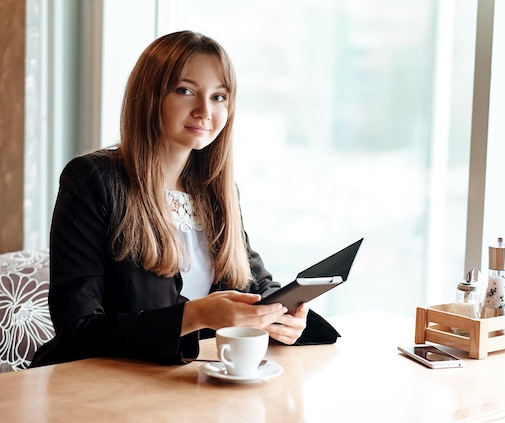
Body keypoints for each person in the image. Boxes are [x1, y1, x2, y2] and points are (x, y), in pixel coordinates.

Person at [31, 31, 333, 367]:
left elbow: (255, 286)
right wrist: (193, 316)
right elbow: (79, 329)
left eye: (219, 96)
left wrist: (287, 318)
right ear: (150, 97)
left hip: (184, 385)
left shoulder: (217, 191)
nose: (205, 111)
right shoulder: (94, 179)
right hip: (96, 388)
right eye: (186, 91)